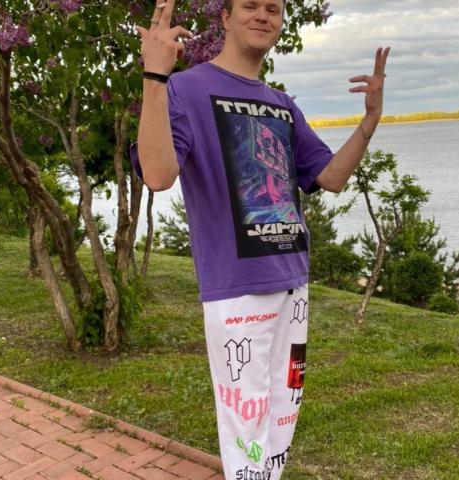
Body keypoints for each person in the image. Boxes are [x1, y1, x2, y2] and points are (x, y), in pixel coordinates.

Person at [131, 0, 389, 478]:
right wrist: (155, 78)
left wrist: (369, 121)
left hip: (292, 280)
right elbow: (158, 175)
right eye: (249, 5)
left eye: (273, 8)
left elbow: (330, 177)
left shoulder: (281, 104)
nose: (262, 15)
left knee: (281, 421)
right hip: (236, 287)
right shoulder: (186, 88)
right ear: (225, 18)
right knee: (246, 428)